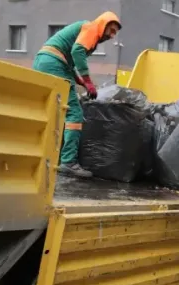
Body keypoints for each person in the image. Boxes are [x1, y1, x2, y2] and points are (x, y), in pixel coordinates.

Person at [32, 12, 122, 178]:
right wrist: (87, 81)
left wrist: (80, 80)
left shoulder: (85, 29)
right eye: (111, 30)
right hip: (54, 63)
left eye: (115, 32)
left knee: (53, 110)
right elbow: (77, 51)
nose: (112, 35)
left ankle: (44, 152)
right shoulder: (91, 28)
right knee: (74, 113)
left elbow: (68, 58)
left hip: (44, 61)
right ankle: (68, 162)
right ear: (103, 24)